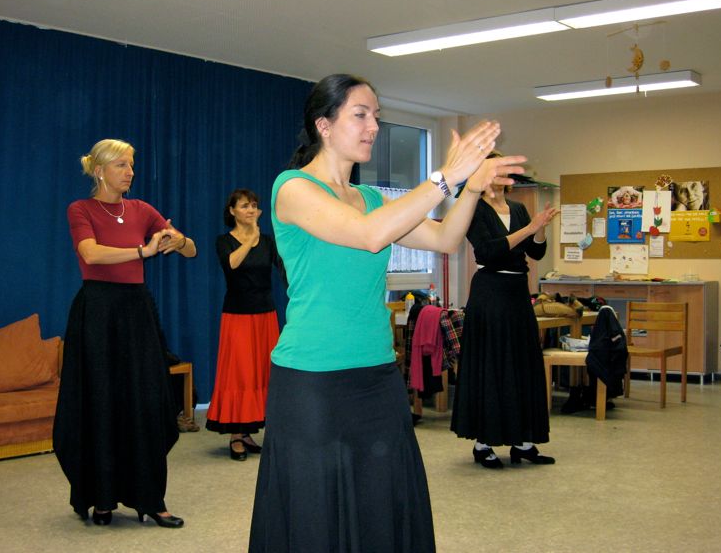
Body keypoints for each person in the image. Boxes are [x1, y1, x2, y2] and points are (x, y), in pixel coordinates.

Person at [248, 74, 525, 552]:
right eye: (361, 114)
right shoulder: (292, 189)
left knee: (380, 501)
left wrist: (472, 189)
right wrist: (443, 178)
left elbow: (444, 240)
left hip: (375, 375)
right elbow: (369, 236)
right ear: (324, 125)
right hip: (312, 377)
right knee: (316, 512)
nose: (374, 125)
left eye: (376, 115)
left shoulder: (372, 198)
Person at [53, 138, 197, 528]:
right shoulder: (80, 209)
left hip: (136, 313)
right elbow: (92, 254)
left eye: (131, 164)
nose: (130, 171)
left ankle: (152, 500)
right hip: (97, 311)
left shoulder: (142, 209)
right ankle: (103, 499)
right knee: (101, 402)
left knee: (145, 401)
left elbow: (192, 250)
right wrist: (143, 251)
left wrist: (176, 240)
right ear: (99, 170)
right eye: (121, 164)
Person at [450, 151, 559, 469]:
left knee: (521, 364)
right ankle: (483, 444)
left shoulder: (518, 208)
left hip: (516, 293)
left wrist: (540, 228)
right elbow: (489, 250)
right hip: (490, 293)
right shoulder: (474, 208)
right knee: (492, 364)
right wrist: (529, 229)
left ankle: (523, 441)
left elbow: (536, 251)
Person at [206, 189, 283, 461]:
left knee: (261, 372)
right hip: (237, 315)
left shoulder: (268, 242)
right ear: (232, 211)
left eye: (253, 205)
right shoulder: (223, 241)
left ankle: (248, 431)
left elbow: (284, 271)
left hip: (266, 315)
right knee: (239, 373)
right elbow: (232, 265)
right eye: (244, 206)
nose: (250, 210)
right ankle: (235, 436)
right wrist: (250, 238)